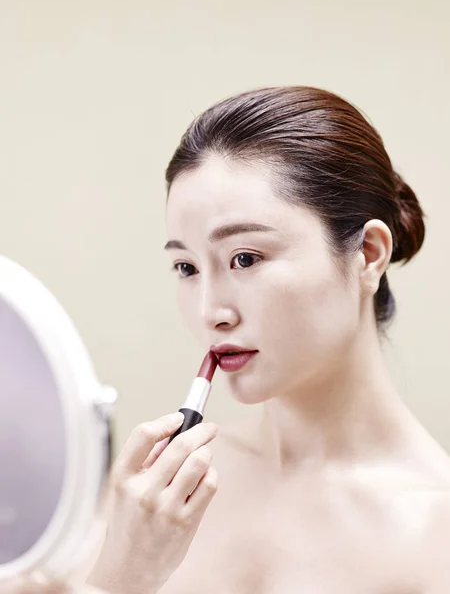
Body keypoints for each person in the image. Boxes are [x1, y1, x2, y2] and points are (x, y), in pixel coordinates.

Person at [90, 86, 450, 593]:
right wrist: (123, 572)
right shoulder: (154, 498)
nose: (211, 311)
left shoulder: (437, 535)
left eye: (245, 258)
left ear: (368, 254)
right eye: (186, 267)